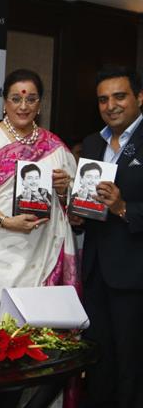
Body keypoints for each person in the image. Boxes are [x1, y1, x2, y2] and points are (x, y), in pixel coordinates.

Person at [0, 68, 77, 298]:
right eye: (16, 99)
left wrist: (64, 190)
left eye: (30, 99)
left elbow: (77, 208)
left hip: (43, 252)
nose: (23, 106)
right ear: (5, 103)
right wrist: (6, 221)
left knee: (38, 322)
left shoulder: (54, 145)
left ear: (39, 105)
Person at [74, 66, 143, 408]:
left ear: (139, 97)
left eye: (120, 96)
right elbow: (88, 206)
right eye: (103, 99)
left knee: (131, 363)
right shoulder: (91, 142)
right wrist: (75, 213)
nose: (111, 105)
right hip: (95, 270)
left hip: (133, 274)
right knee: (97, 357)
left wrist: (123, 207)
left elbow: (122, 207)